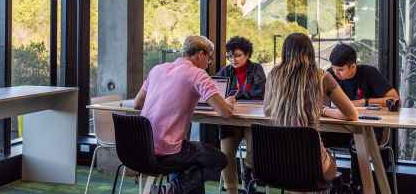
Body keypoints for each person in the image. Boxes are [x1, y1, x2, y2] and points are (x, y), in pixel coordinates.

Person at [134, 36, 235, 194]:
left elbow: (137, 104)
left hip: (142, 146)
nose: (209, 63)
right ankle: (170, 190)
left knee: (192, 165)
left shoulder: (157, 69)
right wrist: (228, 102)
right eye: (209, 58)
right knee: (219, 160)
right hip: (168, 150)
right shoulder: (197, 74)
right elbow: (225, 112)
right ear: (200, 54)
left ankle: (174, 187)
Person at [263, 33, 358, 183]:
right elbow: (352, 114)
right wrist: (323, 110)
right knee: (325, 162)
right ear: (310, 51)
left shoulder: (273, 75)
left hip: (277, 162)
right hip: (312, 163)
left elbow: (267, 110)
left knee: (296, 174)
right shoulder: (321, 76)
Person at [324, 43, 399, 192]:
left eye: (340, 70)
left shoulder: (369, 73)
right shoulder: (329, 74)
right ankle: (327, 184)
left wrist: (363, 102)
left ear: (353, 66)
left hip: (369, 129)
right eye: (333, 68)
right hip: (342, 127)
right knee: (314, 136)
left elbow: (394, 98)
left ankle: (358, 187)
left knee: (357, 141)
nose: (336, 73)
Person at [216, 36, 266, 194]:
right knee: (225, 156)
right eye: (230, 56)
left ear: (247, 54)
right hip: (231, 119)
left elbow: (260, 93)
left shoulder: (256, 69)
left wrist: (236, 96)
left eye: (237, 55)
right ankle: (232, 190)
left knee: (254, 153)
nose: (233, 59)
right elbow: (217, 92)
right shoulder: (225, 71)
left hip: (251, 120)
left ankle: (249, 180)